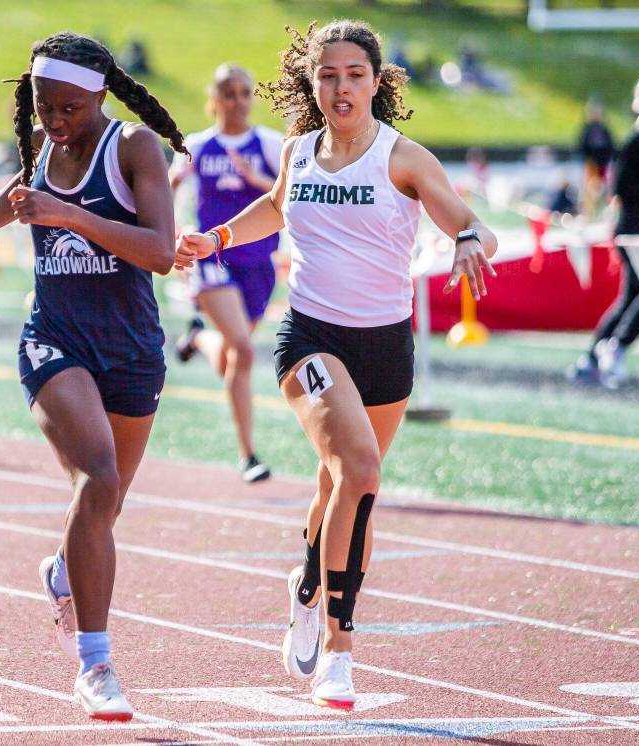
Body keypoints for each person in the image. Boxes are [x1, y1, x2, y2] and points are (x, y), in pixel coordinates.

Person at [175, 20, 497, 709]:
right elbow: (275, 207)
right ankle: (338, 652)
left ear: (376, 83)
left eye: (354, 75)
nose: (341, 88)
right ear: (312, 83)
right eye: (328, 76)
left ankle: (306, 583)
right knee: (362, 471)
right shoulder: (298, 151)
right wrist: (218, 238)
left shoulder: (402, 158)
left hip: (386, 348)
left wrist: (470, 241)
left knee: (340, 487)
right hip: (311, 338)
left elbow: (468, 221)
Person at [0, 31, 185, 721]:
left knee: (106, 502)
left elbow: (160, 252)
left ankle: (66, 570)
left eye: (69, 108)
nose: (55, 120)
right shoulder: (43, 145)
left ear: (99, 97)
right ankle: (96, 664)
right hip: (54, 342)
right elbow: (16, 195)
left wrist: (70, 214)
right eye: (44, 106)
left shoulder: (133, 149)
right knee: (97, 479)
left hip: (131, 350)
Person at [170, 64, 283, 483]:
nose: (238, 101)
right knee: (244, 350)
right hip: (211, 260)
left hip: (259, 263)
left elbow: (291, 197)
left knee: (233, 358)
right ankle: (248, 454)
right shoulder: (198, 146)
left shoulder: (270, 144)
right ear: (214, 100)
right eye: (229, 93)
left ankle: (198, 337)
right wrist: (174, 228)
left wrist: (257, 178)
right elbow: (165, 190)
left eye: (245, 93)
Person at [568, 70, 639, 389]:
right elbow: (619, 189)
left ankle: (591, 359)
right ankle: (616, 345)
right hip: (633, 231)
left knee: (631, 296)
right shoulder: (635, 143)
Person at [578, 98, 615, 219]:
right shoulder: (587, 129)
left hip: (603, 165)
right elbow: (582, 147)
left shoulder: (604, 129)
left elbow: (611, 146)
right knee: (590, 191)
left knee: (605, 190)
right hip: (591, 165)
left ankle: (606, 215)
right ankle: (589, 216)